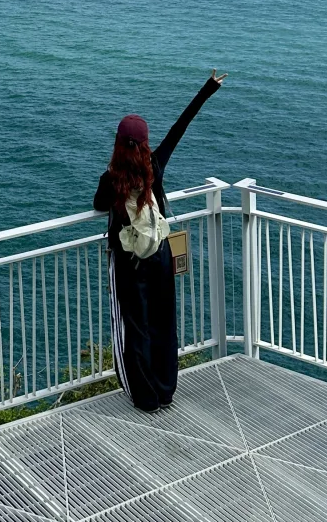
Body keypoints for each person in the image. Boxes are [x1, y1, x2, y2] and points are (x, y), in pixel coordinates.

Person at [93, 70, 226, 412]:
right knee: (164, 321)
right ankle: (166, 390)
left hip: (130, 260)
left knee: (135, 328)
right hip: (161, 252)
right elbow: (180, 127)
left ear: (119, 144)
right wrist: (207, 89)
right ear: (146, 142)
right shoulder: (154, 165)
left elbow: (97, 204)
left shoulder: (112, 180)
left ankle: (146, 397)